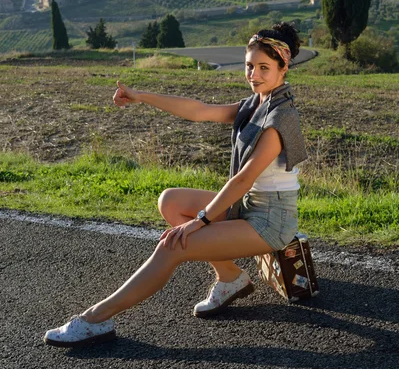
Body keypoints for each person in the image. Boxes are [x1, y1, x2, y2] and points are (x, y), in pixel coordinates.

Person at [44, 22, 307, 348]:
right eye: (249, 65)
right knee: (170, 202)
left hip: (270, 222)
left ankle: (95, 319)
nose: (254, 74)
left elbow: (242, 180)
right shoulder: (256, 104)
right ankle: (231, 279)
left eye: (264, 68)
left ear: (284, 67)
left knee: (172, 247)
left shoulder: (279, 118)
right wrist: (141, 97)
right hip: (252, 207)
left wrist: (202, 220)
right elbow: (198, 111)